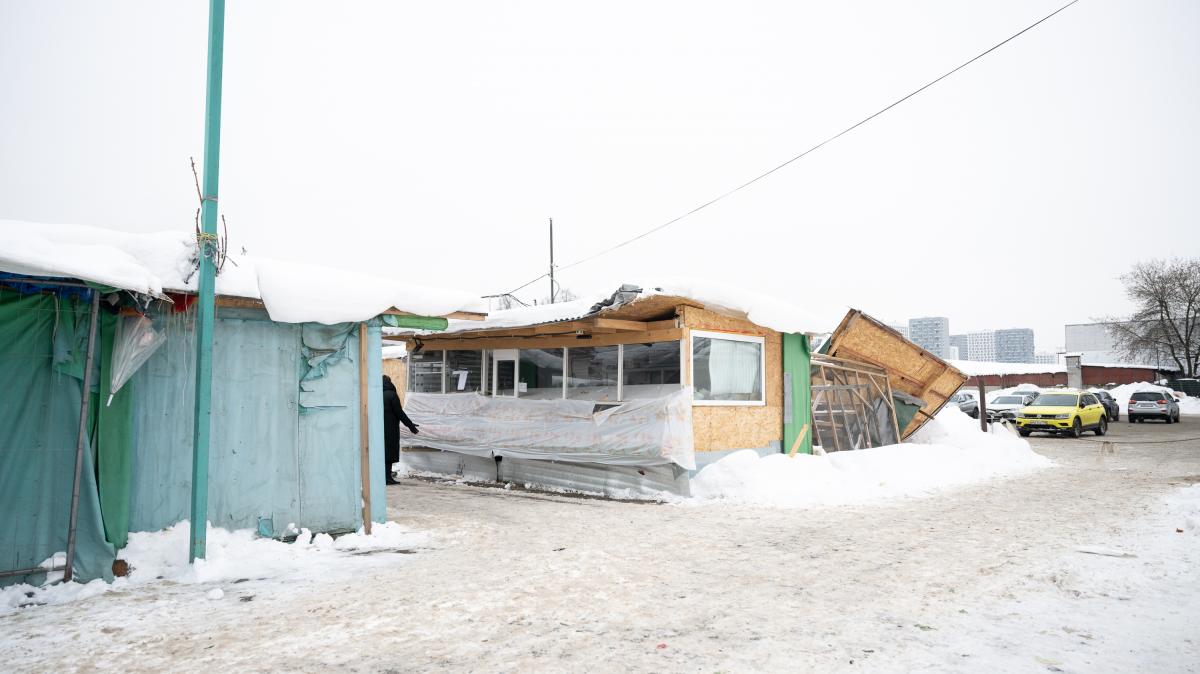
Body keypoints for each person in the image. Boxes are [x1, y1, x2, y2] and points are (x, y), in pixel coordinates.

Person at [383, 375, 418, 485]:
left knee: (381, 453)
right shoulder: (392, 395)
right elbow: (399, 413)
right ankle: (387, 478)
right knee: (388, 453)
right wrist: (411, 426)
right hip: (390, 429)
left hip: (378, 429)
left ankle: (383, 477)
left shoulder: (375, 394)